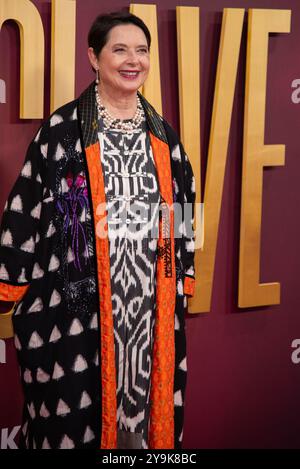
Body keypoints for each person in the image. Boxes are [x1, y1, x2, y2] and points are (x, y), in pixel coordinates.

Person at [0, 11, 196, 449]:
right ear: (94, 56)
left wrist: (178, 272)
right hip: (77, 307)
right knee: (75, 421)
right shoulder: (61, 130)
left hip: (148, 307)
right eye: (120, 49)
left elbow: (181, 207)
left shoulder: (163, 135)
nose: (133, 61)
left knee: (144, 431)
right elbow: (24, 207)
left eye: (142, 51)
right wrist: (10, 282)